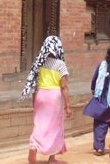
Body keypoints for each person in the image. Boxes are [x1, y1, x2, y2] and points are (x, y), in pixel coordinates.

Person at [21, 36, 72, 164]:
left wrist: (34, 101)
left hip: (41, 95)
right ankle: (52, 158)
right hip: (54, 97)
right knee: (55, 127)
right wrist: (68, 105)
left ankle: (34, 145)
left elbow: (34, 83)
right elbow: (64, 86)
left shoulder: (39, 62)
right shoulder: (60, 65)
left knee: (40, 124)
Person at [89, 44, 110, 155]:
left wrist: (94, 91)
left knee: (100, 123)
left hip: (101, 99)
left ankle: (99, 147)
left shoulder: (101, 64)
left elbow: (94, 79)